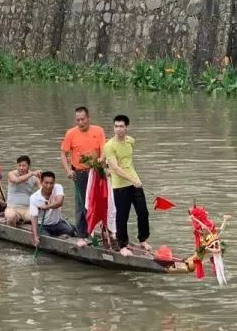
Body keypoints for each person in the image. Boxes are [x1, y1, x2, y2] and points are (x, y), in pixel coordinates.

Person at [103, 114, 150, 256]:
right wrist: (132, 180)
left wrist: (135, 180)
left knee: (143, 212)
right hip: (120, 185)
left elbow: (128, 161)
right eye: (116, 126)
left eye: (121, 126)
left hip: (135, 182)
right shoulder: (109, 146)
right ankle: (122, 245)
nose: (118, 129)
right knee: (122, 216)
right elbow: (116, 168)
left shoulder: (130, 141)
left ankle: (143, 239)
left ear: (127, 128)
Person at [60, 106, 107, 237]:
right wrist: (68, 171)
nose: (80, 123)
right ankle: (82, 235)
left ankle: (103, 233)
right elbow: (63, 153)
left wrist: (101, 160)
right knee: (81, 204)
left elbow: (104, 149)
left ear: (88, 118)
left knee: (100, 202)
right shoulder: (71, 133)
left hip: (96, 171)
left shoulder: (98, 131)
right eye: (78, 120)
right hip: (80, 173)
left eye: (83, 119)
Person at [29, 171, 76, 246]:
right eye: (46, 183)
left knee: (70, 231)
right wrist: (34, 236)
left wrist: (46, 206)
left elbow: (59, 203)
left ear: (54, 183)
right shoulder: (34, 198)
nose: (49, 186)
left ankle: (65, 232)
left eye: (51, 183)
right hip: (42, 225)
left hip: (57, 223)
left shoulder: (58, 187)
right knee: (47, 239)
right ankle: (59, 238)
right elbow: (34, 218)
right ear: (41, 182)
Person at [4, 155, 40, 227]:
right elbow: (16, 180)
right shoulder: (12, 174)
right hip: (12, 208)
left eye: (24, 166)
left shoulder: (34, 178)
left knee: (37, 217)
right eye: (19, 165)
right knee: (11, 217)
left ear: (28, 166)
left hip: (27, 209)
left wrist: (41, 178)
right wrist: (31, 173)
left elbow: (43, 190)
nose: (21, 168)